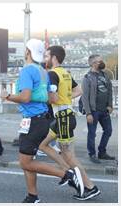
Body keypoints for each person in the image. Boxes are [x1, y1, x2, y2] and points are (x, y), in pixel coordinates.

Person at [0, 39, 84, 203]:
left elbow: (25, 97)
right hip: (41, 121)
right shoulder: (43, 72)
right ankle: (32, 196)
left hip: (33, 121)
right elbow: (52, 98)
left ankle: (67, 174)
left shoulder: (27, 71)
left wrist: (7, 96)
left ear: (27, 52)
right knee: (28, 160)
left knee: (25, 163)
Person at [38, 46, 100, 201]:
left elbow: (52, 98)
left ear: (54, 58)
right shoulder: (64, 72)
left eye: (46, 56)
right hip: (64, 117)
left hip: (63, 119)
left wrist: (38, 97)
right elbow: (78, 91)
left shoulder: (52, 73)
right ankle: (67, 172)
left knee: (69, 156)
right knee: (42, 145)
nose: (45, 59)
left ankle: (90, 187)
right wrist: (65, 99)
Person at [81, 54, 115, 162]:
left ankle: (102, 152)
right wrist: (88, 113)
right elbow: (85, 97)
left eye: (101, 60)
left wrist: (110, 105)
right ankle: (92, 154)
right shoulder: (87, 78)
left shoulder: (105, 75)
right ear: (93, 63)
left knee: (108, 131)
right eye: (99, 61)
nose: (101, 62)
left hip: (104, 110)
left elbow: (110, 91)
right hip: (93, 111)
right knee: (92, 133)